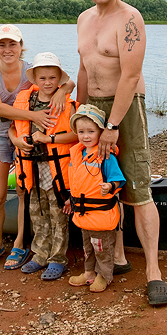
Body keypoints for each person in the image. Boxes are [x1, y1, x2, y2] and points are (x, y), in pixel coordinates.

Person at [76, 0, 167, 306]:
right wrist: (80, 114)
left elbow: (130, 76)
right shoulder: (83, 20)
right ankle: (116, 258)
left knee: (137, 185)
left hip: (125, 108)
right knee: (103, 181)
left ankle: (153, 272)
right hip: (94, 109)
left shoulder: (130, 18)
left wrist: (112, 126)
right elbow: (84, 69)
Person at [0, 25, 75, 268]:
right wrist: (32, 120)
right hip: (0, 134)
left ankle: (20, 244)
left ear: (21, 46)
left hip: (28, 135)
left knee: (25, 192)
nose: (8, 49)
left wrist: (63, 90)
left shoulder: (35, 70)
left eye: (13, 44)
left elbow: (66, 81)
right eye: (2, 45)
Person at [8, 52, 78, 280]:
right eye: (43, 79)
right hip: (31, 167)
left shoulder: (67, 104)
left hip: (57, 169)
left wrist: (50, 139)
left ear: (59, 80)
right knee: (37, 212)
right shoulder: (25, 101)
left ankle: (58, 259)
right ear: (35, 80)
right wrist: (15, 140)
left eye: (52, 78)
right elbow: (13, 128)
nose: (47, 83)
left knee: (58, 214)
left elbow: (77, 134)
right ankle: (39, 255)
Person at [64, 103, 125, 293]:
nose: (86, 136)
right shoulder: (78, 153)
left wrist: (109, 186)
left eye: (91, 131)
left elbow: (118, 179)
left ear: (100, 132)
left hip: (100, 215)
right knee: (88, 246)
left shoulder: (105, 156)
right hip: (84, 215)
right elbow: (77, 183)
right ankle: (89, 272)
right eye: (81, 132)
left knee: (102, 248)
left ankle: (104, 276)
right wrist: (69, 199)